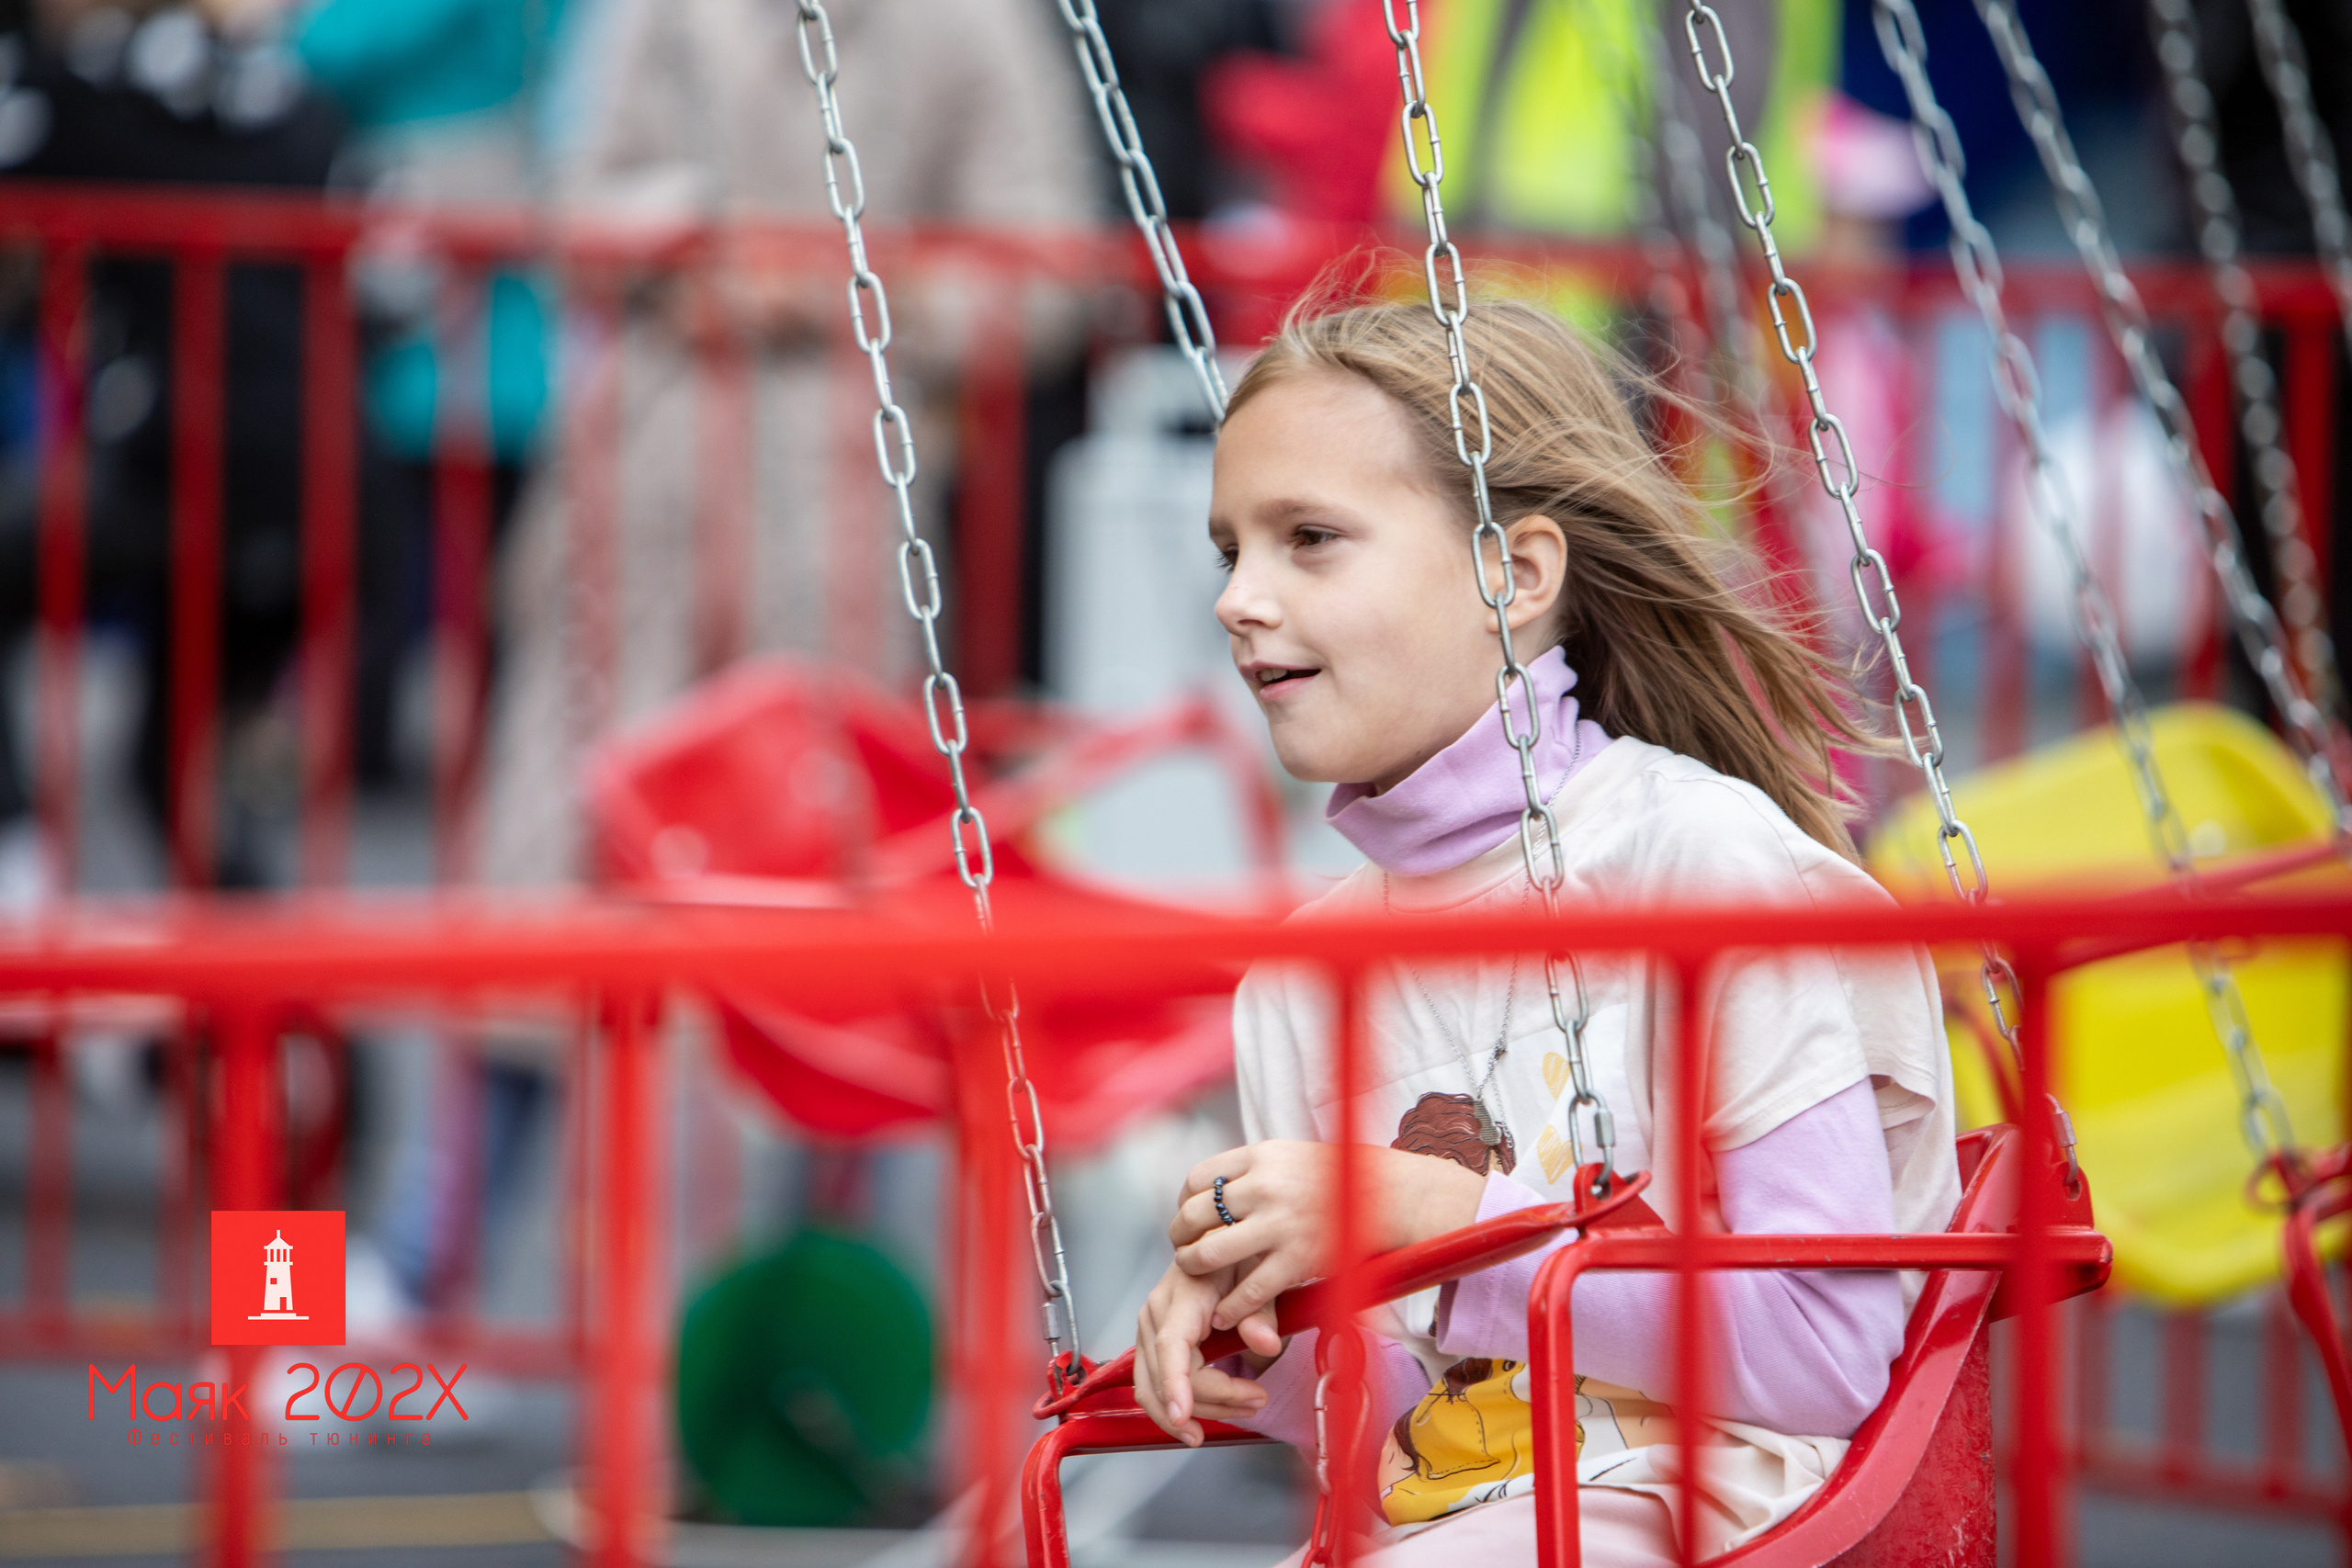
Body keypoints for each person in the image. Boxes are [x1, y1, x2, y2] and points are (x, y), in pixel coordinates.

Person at [1130, 298, 1961, 1564]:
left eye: (1309, 540)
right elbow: (1392, 1439)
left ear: (1511, 576)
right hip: (1456, 1523)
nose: (1241, 598)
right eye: (1228, 552)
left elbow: (1826, 1349)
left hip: (1713, 1504)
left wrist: (1429, 1214)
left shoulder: (1702, 865)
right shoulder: (1302, 983)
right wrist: (1268, 1325)